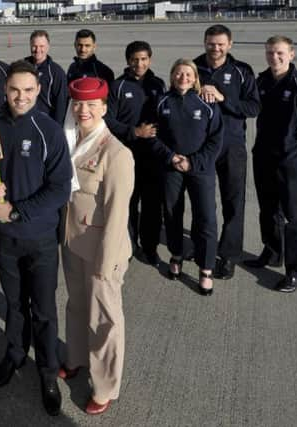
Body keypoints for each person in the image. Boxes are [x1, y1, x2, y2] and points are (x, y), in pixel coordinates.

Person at [0, 60, 72, 416]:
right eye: (15, 90)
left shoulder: (48, 130)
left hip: (40, 240)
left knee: (44, 310)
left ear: (38, 91)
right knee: (15, 304)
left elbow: (60, 189)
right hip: (5, 238)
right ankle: (15, 355)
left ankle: (47, 372)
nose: (21, 97)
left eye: (28, 90)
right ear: (5, 89)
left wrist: (17, 211)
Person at [59, 77, 134, 415]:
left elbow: (118, 216)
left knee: (104, 319)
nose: (83, 110)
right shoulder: (71, 140)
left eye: (91, 104)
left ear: (104, 107)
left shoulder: (116, 153)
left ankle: (104, 386)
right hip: (74, 243)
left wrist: (106, 264)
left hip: (103, 250)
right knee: (76, 306)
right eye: (78, 104)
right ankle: (75, 358)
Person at [244, 35, 297, 293]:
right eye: (269, 53)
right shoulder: (262, 82)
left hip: (293, 163)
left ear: (291, 54)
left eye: (279, 53)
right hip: (264, 157)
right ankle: (273, 252)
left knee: (295, 217)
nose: (274, 58)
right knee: (268, 211)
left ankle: (296, 271)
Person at [151, 59, 223, 295]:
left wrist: (193, 161)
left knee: (206, 218)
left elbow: (215, 140)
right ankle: (177, 254)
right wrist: (171, 157)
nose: (183, 77)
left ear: (195, 78)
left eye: (188, 74)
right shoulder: (162, 101)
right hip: (171, 167)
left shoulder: (206, 102)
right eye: (179, 73)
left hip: (200, 168)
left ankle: (206, 267)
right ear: (172, 76)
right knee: (172, 213)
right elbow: (153, 136)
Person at [194, 24, 260, 280]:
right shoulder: (195, 67)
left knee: (233, 202)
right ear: (205, 42)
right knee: (202, 202)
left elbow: (253, 107)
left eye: (221, 44)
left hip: (232, 147)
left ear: (230, 44)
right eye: (211, 43)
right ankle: (204, 248)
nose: (216, 48)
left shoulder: (242, 71)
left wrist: (224, 99)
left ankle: (230, 255)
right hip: (202, 146)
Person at [106, 40, 166, 265]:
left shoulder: (158, 84)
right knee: (128, 203)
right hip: (126, 154)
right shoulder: (117, 86)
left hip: (153, 156)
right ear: (127, 61)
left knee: (151, 205)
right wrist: (134, 132)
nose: (139, 64)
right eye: (134, 60)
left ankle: (150, 248)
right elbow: (108, 120)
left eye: (143, 59)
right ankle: (129, 246)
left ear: (150, 59)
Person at [24, 30, 68, 125]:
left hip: (45, 122)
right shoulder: (21, 68)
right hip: (24, 121)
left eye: (41, 46)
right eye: (34, 46)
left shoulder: (56, 72)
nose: (37, 50)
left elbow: (61, 105)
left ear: (48, 47)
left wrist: (57, 129)